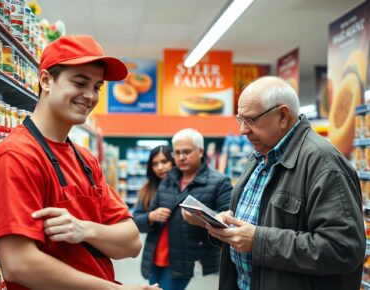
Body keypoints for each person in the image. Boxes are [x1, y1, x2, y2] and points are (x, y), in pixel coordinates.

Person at [0, 35, 161, 290]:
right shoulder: (17, 157)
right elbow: (19, 264)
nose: (90, 96)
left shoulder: (86, 160)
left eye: (97, 87)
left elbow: (131, 242)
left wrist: (85, 229)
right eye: (80, 82)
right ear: (46, 80)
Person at [206, 76, 365, 290]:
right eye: (240, 119)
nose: (243, 130)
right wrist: (228, 225)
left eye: (251, 120)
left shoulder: (324, 164)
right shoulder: (259, 156)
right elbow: (265, 217)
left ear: (282, 116)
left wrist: (259, 241)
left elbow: (343, 249)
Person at [140, 128, 233, 290]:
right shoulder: (168, 180)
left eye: (187, 152)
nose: (181, 157)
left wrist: (201, 221)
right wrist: (152, 216)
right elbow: (145, 216)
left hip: (186, 260)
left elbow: (229, 224)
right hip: (156, 256)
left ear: (201, 151)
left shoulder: (220, 182)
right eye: (177, 153)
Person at [133, 146, 175, 283]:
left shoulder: (183, 186)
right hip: (154, 254)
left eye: (164, 161)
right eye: (155, 164)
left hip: (176, 257)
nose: (160, 167)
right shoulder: (147, 190)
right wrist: (151, 216)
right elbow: (135, 221)